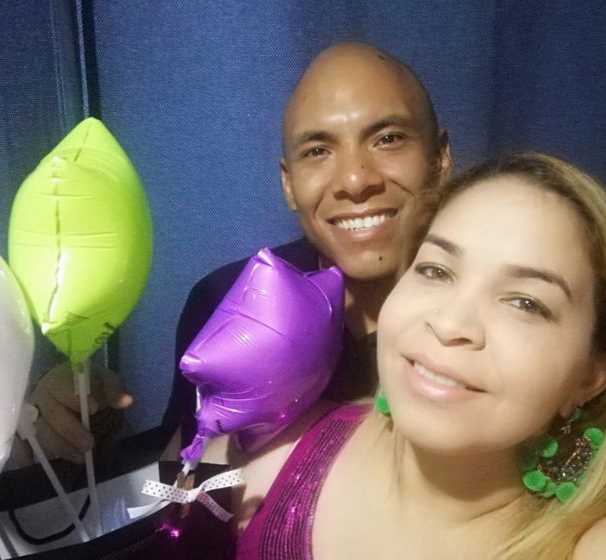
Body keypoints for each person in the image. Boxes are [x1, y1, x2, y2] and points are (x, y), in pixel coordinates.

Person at [15, 42, 451, 463]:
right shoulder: (226, 299)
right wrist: (91, 425)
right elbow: (188, 472)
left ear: (440, 158)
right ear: (288, 184)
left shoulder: (476, 318)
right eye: (318, 151)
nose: (355, 181)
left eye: (388, 139)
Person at [211, 153, 606, 559]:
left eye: (525, 303)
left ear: (595, 373)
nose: (450, 323)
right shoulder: (275, 449)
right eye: (436, 270)